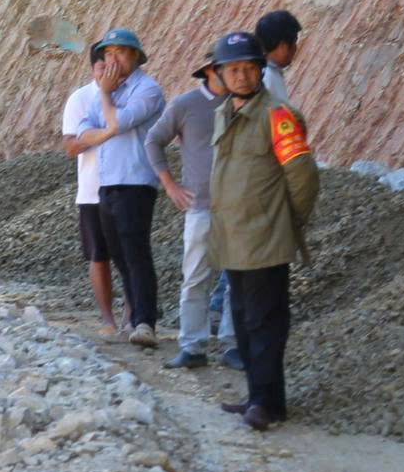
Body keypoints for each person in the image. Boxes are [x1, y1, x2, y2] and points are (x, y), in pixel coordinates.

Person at [205, 30, 321, 431]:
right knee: (242, 320)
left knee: (265, 323)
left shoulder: (278, 115)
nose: (241, 76)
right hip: (232, 239)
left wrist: (289, 222)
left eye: (248, 68)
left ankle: (268, 404)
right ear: (219, 74)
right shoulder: (225, 113)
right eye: (232, 69)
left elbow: (302, 176)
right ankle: (258, 395)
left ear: (259, 70)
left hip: (265, 238)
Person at [61, 27, 167, 345]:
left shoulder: (147, 89)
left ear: (136, 56)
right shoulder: (104, 94)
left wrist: (106, 107)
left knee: (135, 252)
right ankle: (135, 320)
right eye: (108, 54)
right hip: (106, 183)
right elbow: (82, 136)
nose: (112, 60)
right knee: (119, 256)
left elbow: (118, 122)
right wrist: (108, 128)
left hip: (135, 179)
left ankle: (145, 321)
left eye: (119, 52)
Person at [146, 50, 234, 369]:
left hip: (239, 208)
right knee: (196, 279)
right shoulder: (185, 105)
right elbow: (153, 141)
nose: (234, 73)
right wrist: (169, 185)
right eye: (227, 67)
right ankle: (192, 346)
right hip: (201, 207)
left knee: (237, 280)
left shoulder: (243, 104)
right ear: (209, 70)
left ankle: (231, 345)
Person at [254, 9, 302, 103]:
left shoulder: (268, 72)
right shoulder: (267, 77)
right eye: (294, 43)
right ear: (282, 46)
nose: (295, 48)